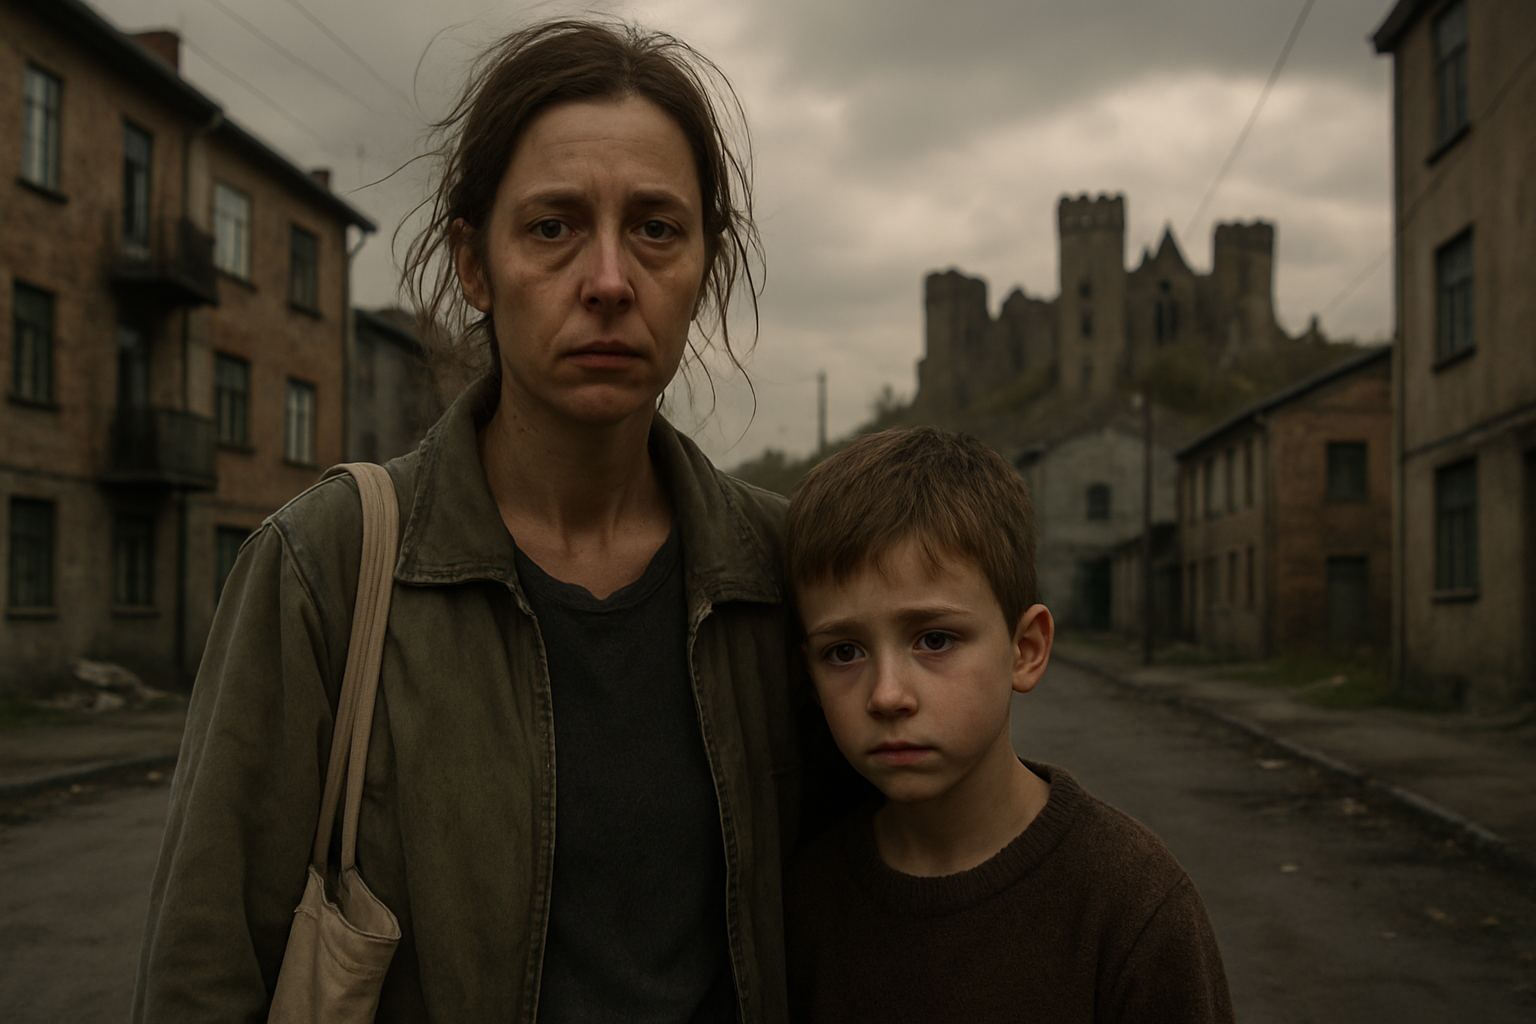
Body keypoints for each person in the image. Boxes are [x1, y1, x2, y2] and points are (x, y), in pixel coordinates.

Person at [134, 20, 816, 1023]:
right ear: (472, 263)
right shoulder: (327, 565)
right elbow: (204, 971)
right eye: (553, 226)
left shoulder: (785, 572)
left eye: (657, 227)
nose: (610, 280)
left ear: (705, 263)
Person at [781, 427, 1235, 1023]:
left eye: (935, 639)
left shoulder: (1132, 904)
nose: (887, 695)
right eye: (844, 652)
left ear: (1025, 650)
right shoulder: (802, 900)